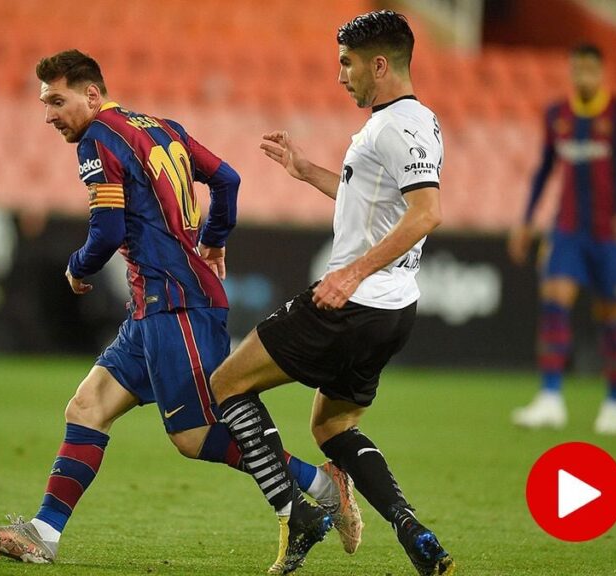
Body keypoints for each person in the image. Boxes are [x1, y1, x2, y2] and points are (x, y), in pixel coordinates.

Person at [0, 49, 362, 565]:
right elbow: (228, 179)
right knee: (87, 407)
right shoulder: (162, 127)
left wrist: (78, 268)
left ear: (92, 94)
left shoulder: (98, 138)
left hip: (176, 303)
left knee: (195, 436)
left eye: (57, 101)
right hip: (154, 305)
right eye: (44, 104)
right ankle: (45, 533)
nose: (49, 115)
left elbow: (106, 231)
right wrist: (215, 239)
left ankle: (323, 488)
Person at [209, 11, 455, 576]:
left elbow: (427, 213)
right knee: (333, 426)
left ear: (379, 64)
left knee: (226, 385)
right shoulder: (418, 121)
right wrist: (308, 171)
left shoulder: (395, 127)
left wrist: (351, 275)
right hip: (395, 310)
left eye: (346, 63)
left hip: (352, 304)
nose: (341, 75)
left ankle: (297, 510)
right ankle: (412, 529)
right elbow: (372, 203)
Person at [509, 43, 616, 436]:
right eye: (577, 70)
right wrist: (526, 221)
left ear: (601, 72)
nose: (583, 77)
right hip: (568, 229)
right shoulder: (558, 115)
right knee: (555, 301)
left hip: (610, 234)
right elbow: (544, 171)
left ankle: (614, 402)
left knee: (611, 317)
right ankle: (551, 398)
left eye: (590, 70)